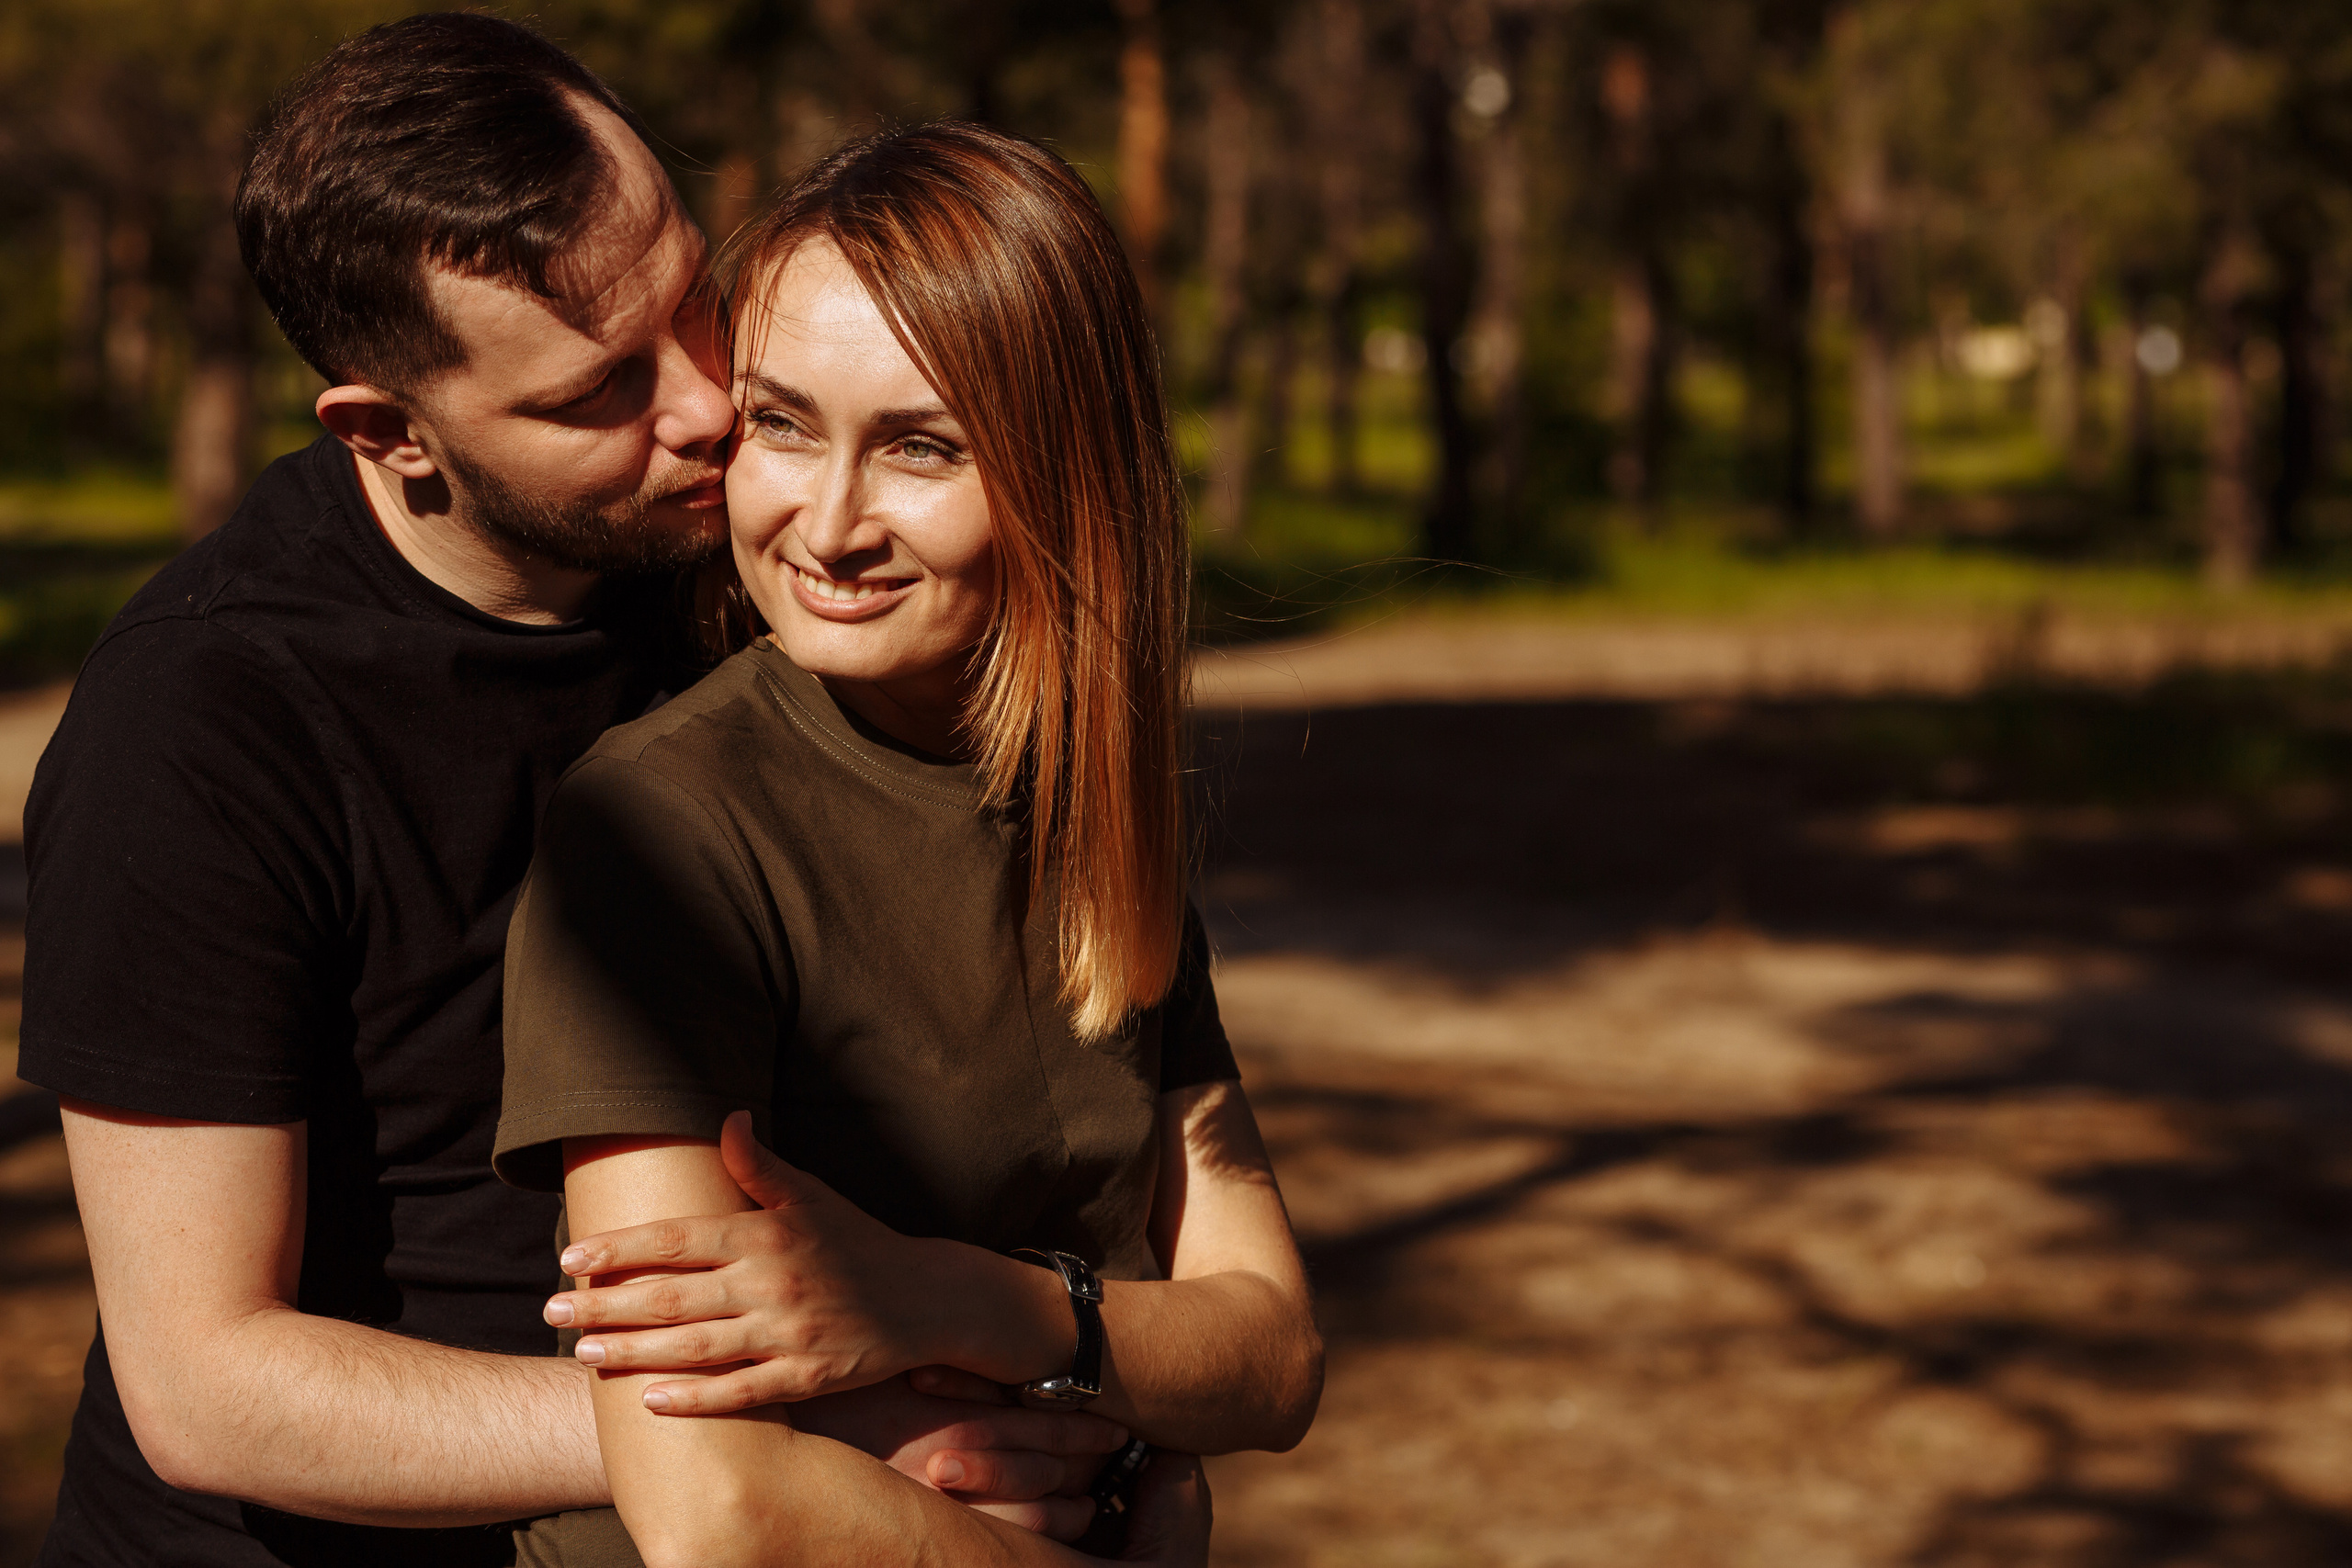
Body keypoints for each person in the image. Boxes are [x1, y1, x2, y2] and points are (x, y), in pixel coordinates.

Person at [20, 17, 1139, 1567]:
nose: (703, 404)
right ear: (390, 433)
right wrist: (776, 1438)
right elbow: (210, 1388)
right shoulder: (203, 724)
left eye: (690, 296)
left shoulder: (744, 562)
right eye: (599, 390)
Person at [488, 123, 1322, 1566]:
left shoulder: (1078, 801)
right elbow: (712, 1513)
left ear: (1070, 477)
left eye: (921, 447)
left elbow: (1273, 1353)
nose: (827, 524)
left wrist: (959, 1302)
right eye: (780, 423)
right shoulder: (659, 827)